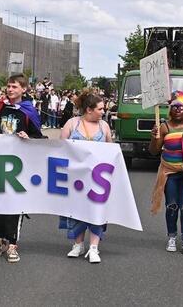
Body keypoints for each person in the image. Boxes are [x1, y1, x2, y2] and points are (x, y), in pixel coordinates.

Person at [0, 74, 43, 263]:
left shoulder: (28, 111)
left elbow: (38, 136)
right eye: (8, 86)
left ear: (23, 89)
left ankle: (12, 243)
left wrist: (29, 137)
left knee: (15, 202)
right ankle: (0, 238)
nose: (10, 90)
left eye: (14, 87)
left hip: (19, 165)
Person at [60, 90, 113, 264]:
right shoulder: (72, 123)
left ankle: (94, 248)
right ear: (89, 110)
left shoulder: (104, 127)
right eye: (100, 109)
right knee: (76, 212)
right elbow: (60, 147)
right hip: (75, 178)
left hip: (98, 180)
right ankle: (78, 244)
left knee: (97, 212)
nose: (103, 112)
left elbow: (110, 152)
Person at [149, 91, 183, 255]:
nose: (178, 109)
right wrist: (154, 137)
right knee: (172, 206)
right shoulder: (164, 127)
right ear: (170, 109)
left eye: (181, 106)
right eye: (174, 106)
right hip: (169, 173)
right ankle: (172, 237)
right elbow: (154, 151)